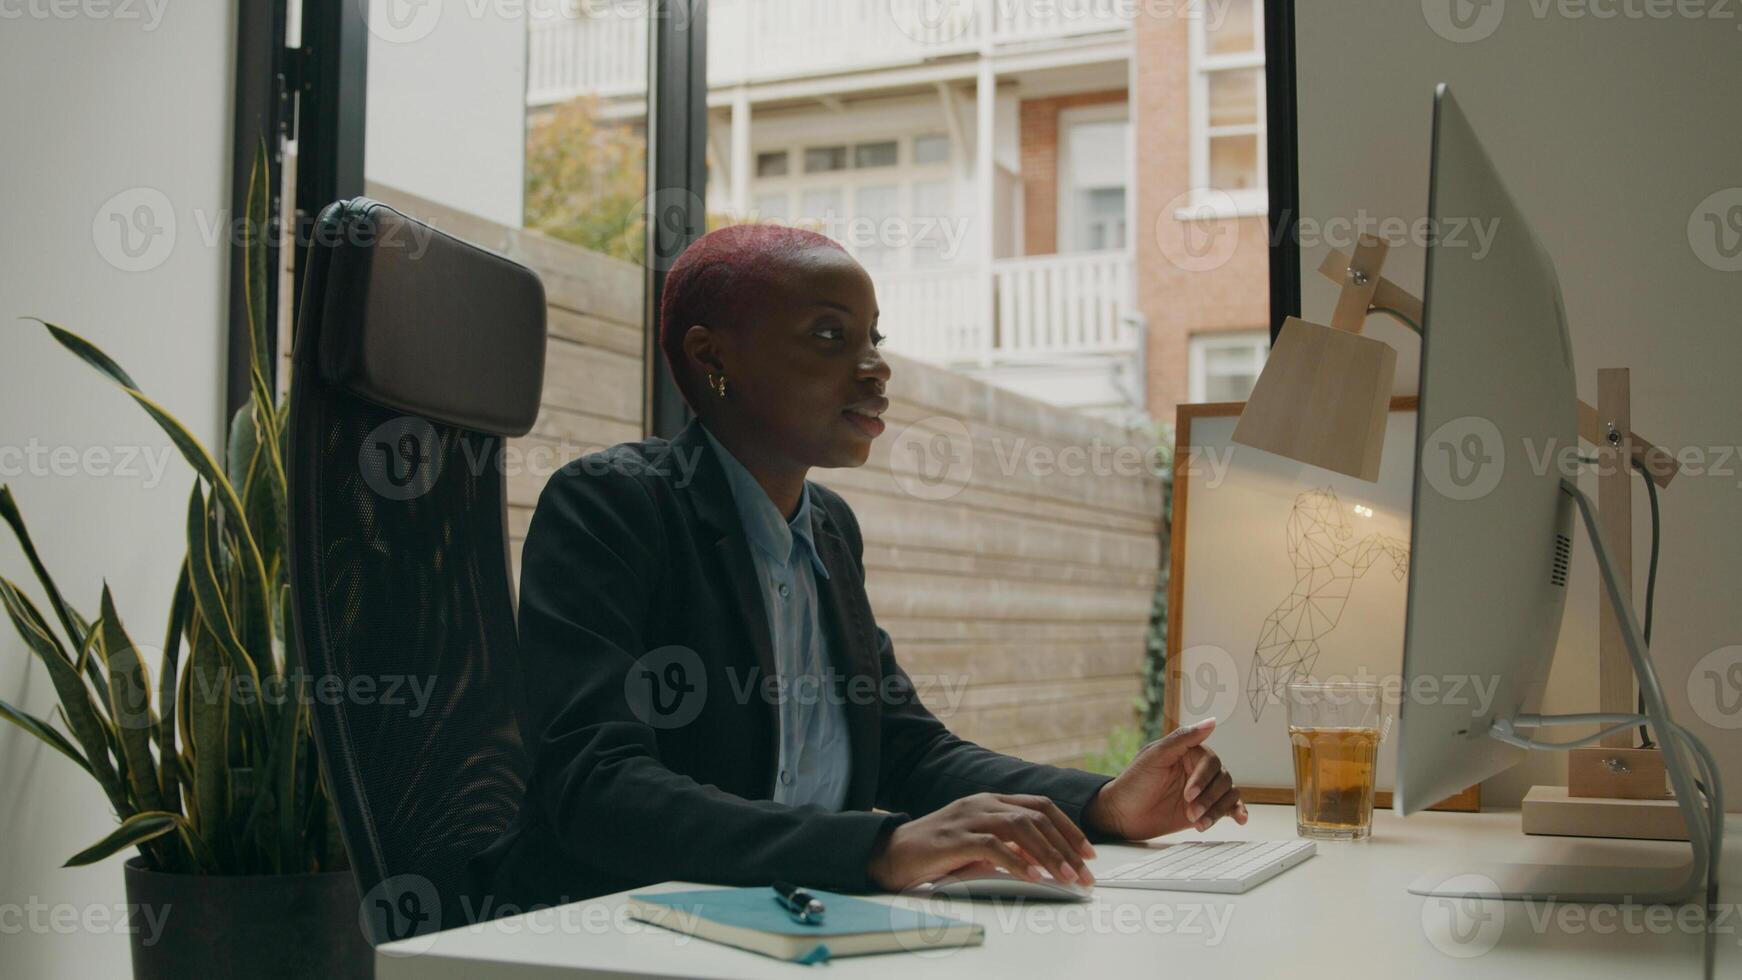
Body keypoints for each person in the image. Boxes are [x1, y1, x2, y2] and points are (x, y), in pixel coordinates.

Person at [471, 223, 1246, 909]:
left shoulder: (828, 530)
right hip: (618, 927)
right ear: (714, 359)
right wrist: (877, 849)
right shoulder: (612, 506)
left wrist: (1107, 805)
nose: (875, 368)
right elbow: (595, 786)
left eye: (875, 338)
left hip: (798, 920)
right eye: (830, 337)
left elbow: (908, 750)